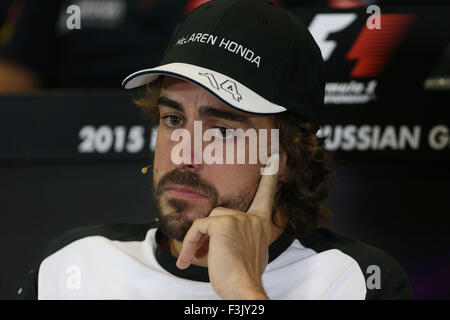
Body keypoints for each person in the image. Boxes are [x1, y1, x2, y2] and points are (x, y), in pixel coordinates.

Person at [17, 0, 412, 299]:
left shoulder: (352, 281)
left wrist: (244, 292)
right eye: (173, 120)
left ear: (289, 157)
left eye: (222, 131)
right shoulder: (75, 265)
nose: (183, 154)